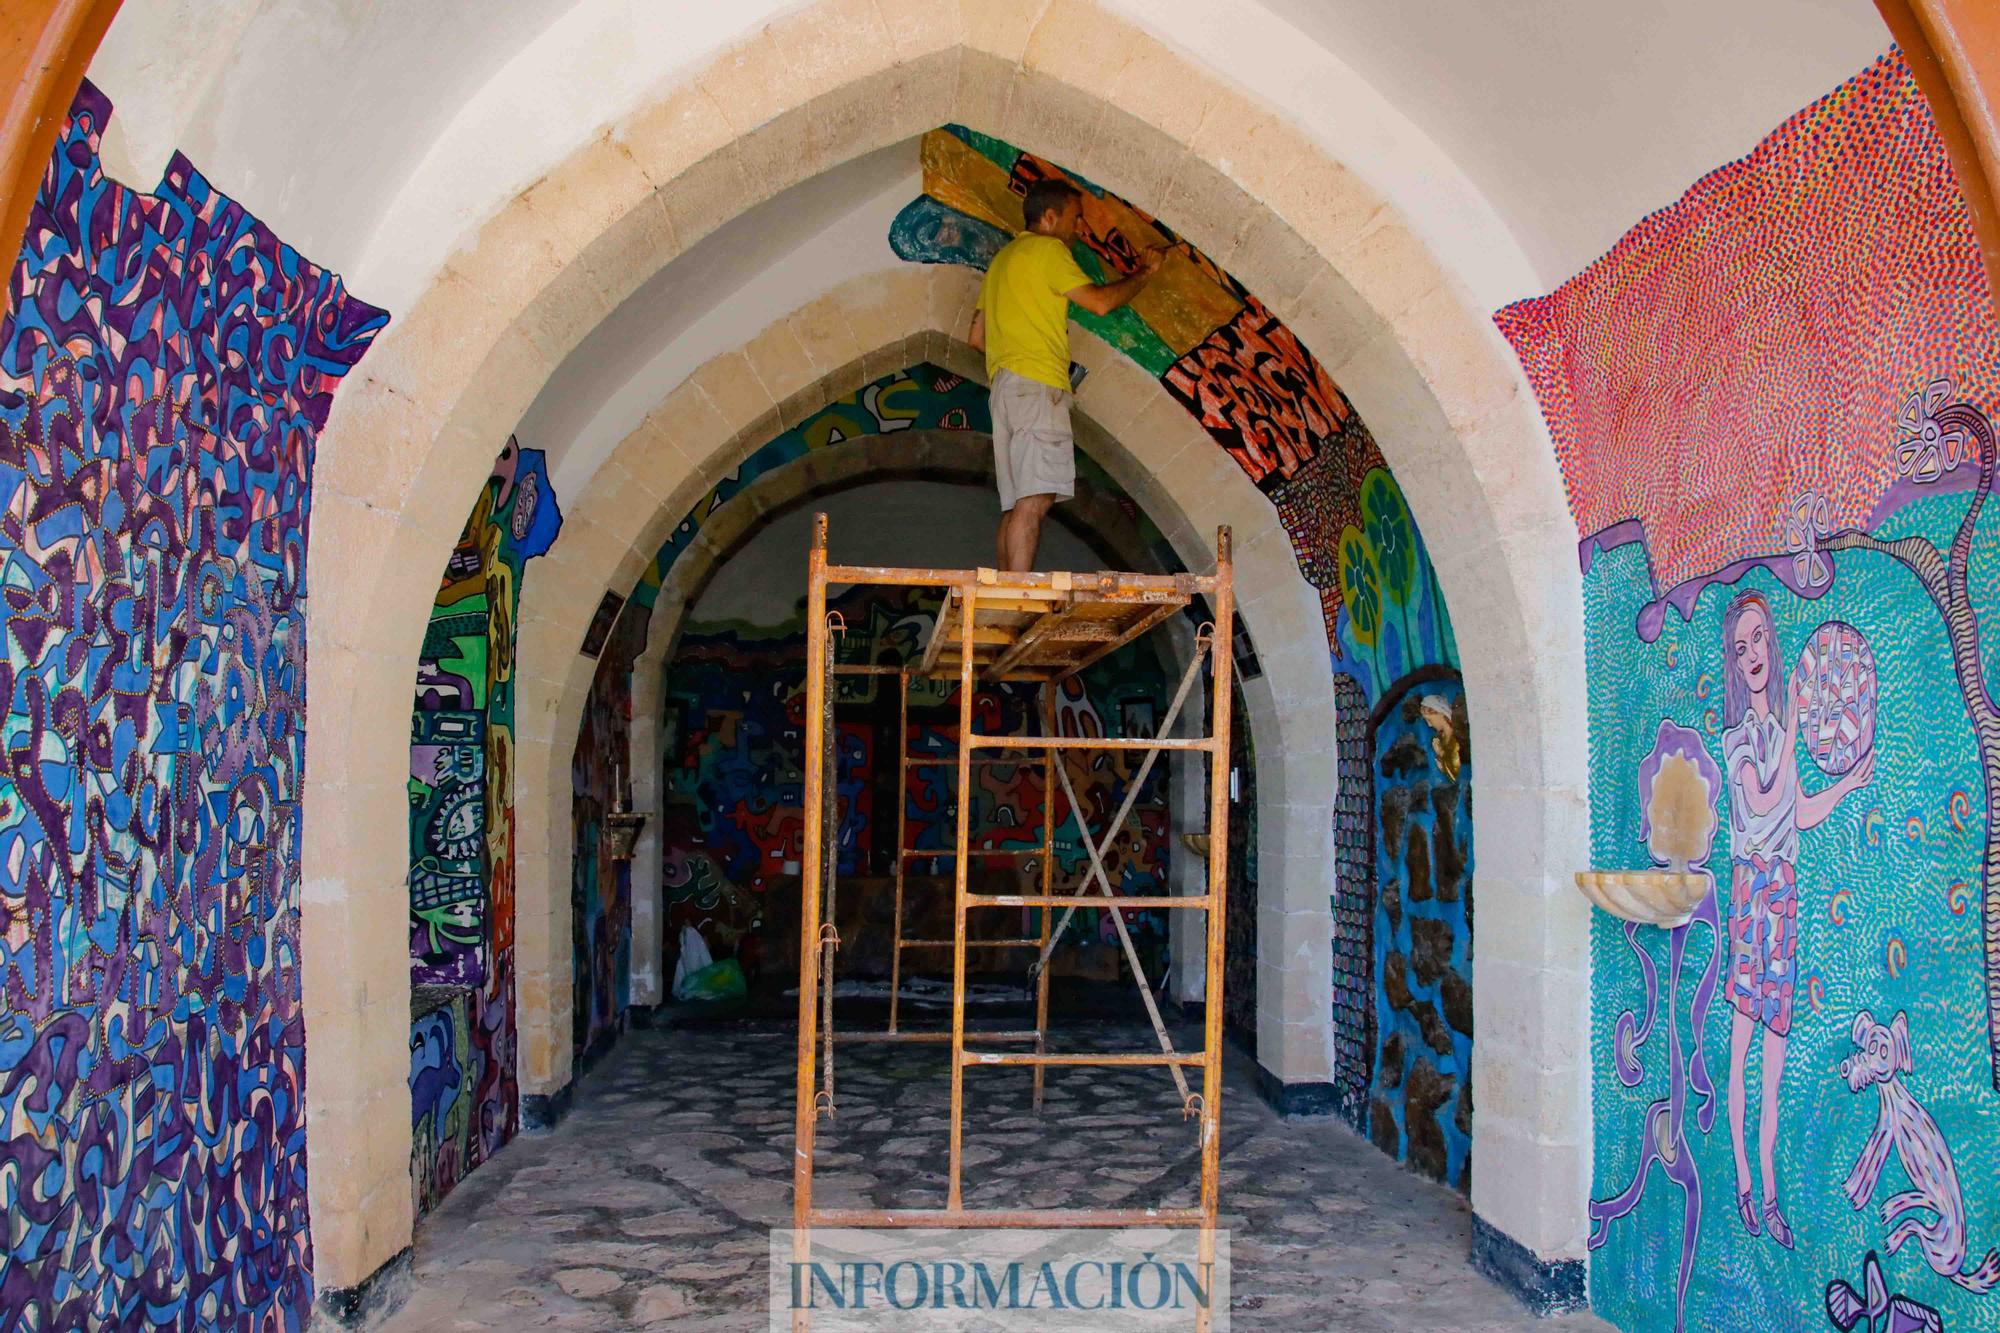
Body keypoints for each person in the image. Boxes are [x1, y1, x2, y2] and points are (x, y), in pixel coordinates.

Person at [1717, 590, 1874, 1250]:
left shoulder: (1781, 735)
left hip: (1784, 895)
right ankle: (1746, 1185)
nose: (1753, 653)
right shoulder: (1737, 740)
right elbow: (1757, 796)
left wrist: (1845, 785)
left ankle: (1771, 1195)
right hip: (1752, 895)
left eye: (1759, 639)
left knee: (1774, 1067)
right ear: (1734, 661)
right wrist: (1789, 712)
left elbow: (1795, 812)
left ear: (1773, 647)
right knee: (1742, 1057)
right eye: (1740, 646)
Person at [969, 178, 1164, 571]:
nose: (1078, 230)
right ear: (1050, 216)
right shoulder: (1048, 250)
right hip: (1038, 385)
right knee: (1036, 499)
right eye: (1075, 219)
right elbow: (1100, 303)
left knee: (1016, 504)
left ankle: (1005, 594)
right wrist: (1146, 272)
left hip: (1004, 389)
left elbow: (976, 338)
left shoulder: (1002, 261)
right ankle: (1019, 594)